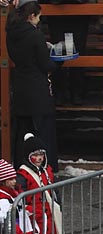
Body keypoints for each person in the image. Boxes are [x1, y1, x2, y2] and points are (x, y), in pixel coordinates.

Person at [4, 1, 59, 171]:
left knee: (22, 130)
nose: (39, 20)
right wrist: (58, 62)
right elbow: (46, 64)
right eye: (38, 17)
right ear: (32, 15)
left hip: (20, 85)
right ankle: (46, 166)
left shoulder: (11, 33)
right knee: (43, 130)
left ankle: (22, 164)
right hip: (37, 88)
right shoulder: (35, 35)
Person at [15, 133, 62, 234]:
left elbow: (55, 191)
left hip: (49, 216)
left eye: (41, 154)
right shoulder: (23, 174)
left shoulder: (46, 170)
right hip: (34, 217)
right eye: (35, 155)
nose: (39, 157)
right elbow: (20, 194)